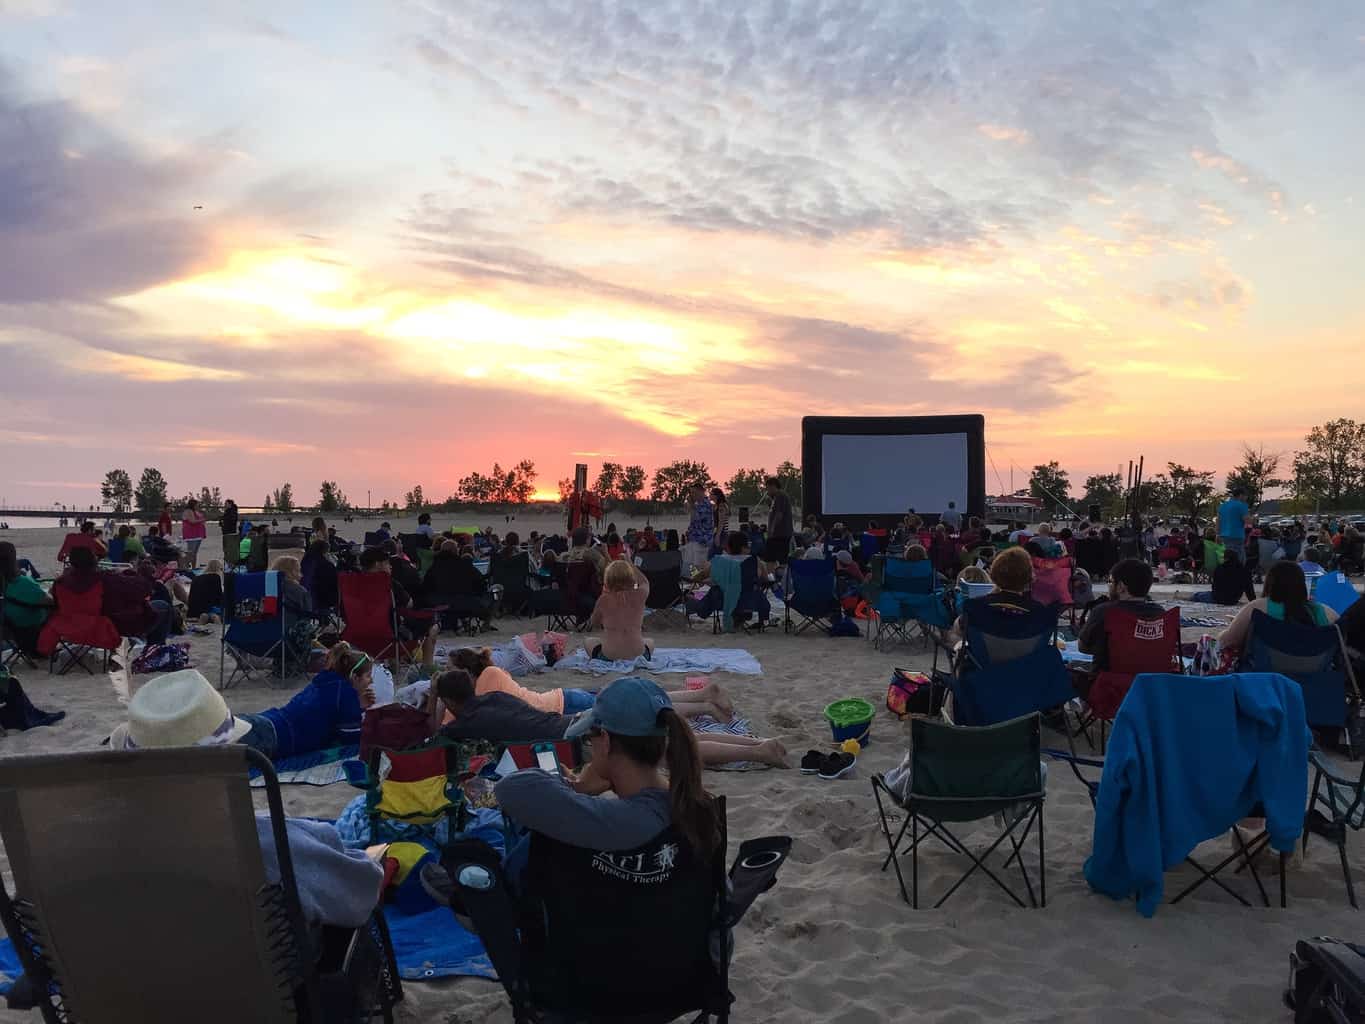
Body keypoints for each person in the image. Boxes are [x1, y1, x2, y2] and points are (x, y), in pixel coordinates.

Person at [107, 669, 383, 933]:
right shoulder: (263, 843)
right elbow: (361, 891)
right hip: (245, 974)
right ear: (231, 764)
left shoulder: (96, 849)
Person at [494, 677, 785, 882]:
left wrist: (578, 787)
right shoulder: (701, 810)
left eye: (589, 737)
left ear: (605, 741)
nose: (589, 746)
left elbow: (512, 789)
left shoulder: (609, 819)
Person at [235, 643, 375, 760]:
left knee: (218, 733)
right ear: (355, 677)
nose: (371, 681)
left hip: (266, 721)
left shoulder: (325, 679)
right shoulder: (346, 693)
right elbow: (351, 738)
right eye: (368, 676)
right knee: (218, 757)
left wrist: (359, 706)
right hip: (273, 738)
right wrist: (360, 707)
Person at [1218, 559, 1340, 656]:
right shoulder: (1327, 612)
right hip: (1316, 672)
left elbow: (1227, 641)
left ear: (1270, 583)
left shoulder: (1257, 608)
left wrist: (1232, 627)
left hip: (1267, 675)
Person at [1077, 558, 1164, 671]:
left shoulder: (1104, 611)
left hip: (1109, 683)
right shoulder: (1160, 613)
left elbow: (1082, 647)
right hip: (1149, 683)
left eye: (1110, 581)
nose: (1109, 585)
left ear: (1121, 586)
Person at [587, 559, 654, 662]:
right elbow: (644, 582)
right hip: (638, 656)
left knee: (589, 641)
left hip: (609, 657)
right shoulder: (640, 594)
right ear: (631, 578)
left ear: (608, 579)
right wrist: (630, 563)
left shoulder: (604, 599)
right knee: (650, 641)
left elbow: (594, 623)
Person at [1, 540, 53, 655]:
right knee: (55, 609)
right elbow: (50, 602)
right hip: (28, 626)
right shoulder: (21, 582)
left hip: (6, 626)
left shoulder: (8, 583)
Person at [764, 477, 794, 564]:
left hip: (780, 534)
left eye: (768, 488)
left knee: (774, 557)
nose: (767, 491)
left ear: (773, 486)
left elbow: (779, 515)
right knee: (773, 557)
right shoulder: (775, 498)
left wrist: (772, 529)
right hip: (778, 534)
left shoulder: (781, 496)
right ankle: (774, 574)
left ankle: (776, 575)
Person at [1218, 487, 1251, 563]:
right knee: (1240, 560)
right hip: (1237, 536)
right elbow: (1247, 521)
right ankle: (1237, 573)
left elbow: (1218, 521)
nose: (1246, 498)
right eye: (1246, 496)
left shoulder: (1223, 506)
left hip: (1225, 536)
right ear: (1240, 495)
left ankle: (1228, 573)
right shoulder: (1242, 505)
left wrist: (1218, 534)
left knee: (1228, 557)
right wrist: (1254, 519)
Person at [186, 559, 225, 623]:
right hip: (206, 609)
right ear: (219, 569)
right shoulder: (216, 577)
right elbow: (218, 598)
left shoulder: (196, 578)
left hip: (192, 611)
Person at [181, 499, 207, 568]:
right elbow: (192, 521)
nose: (198, 506)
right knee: (190, 553)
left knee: (194, 553)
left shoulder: (195, 511)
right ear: (193, 505)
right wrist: (202, 520)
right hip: (192, 535)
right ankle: (185, 567)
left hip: (198, 534)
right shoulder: (188, 511)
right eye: (197, 504)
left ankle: (194, 568)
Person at [710, 487, 730, 556]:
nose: (710, 495)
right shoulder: (717, 505)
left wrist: (717, 536)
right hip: (720, 532)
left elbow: (721, 522)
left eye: (712, 494)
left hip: (721, 533)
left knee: (714, 555)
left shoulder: (721, 506)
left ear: (717, 496)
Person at [221, 499, 240, 567]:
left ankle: (230, 564)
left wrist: (223, 522)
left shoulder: (231, 512)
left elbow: (230, 521)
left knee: (228, 549)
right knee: (228, 549)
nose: (225, 505)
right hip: (228, 532)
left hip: (229, 533)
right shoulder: (230, 511)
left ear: (230, 504)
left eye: (226, 503)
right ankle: (229, 564)